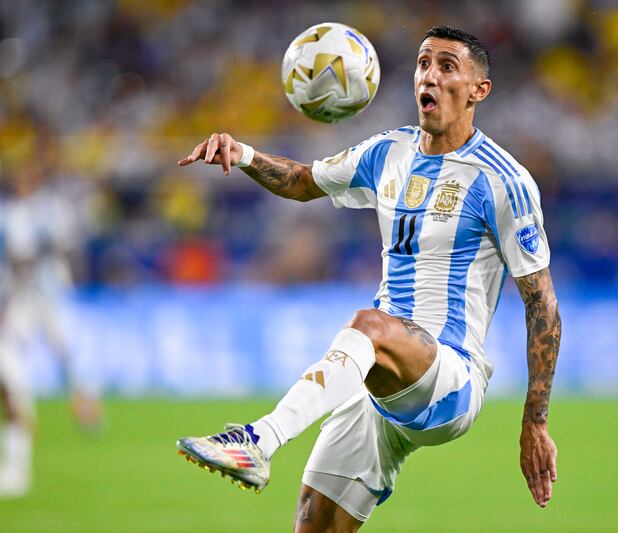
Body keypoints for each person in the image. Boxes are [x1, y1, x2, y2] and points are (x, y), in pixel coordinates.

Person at [176, 26, 562, 531]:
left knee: (370, 324)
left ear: (478, 90)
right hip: (377, 383)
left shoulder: (503, 180)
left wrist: (535, 421)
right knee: (313, 524)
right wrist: (244, 154)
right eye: (423, 63)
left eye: (447, 66)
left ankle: (258, 441)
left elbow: (542, 304)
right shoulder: (389, 151)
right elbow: (304, 181)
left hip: (450, 378)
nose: (429, 76)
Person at [0, 168, 103, 497]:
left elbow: (66, 244)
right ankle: (19, 448)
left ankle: (85, 405)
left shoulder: (52, 208)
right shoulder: (12, 213)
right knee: (12, 363)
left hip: (51, 295)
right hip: (22, 298)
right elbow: (17, 255)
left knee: (67, 354)